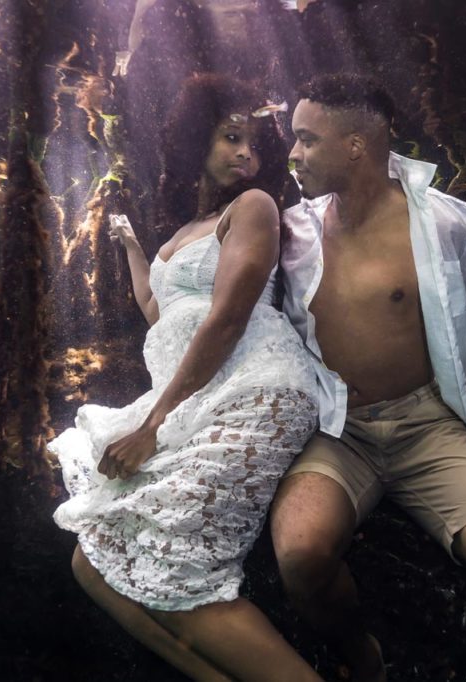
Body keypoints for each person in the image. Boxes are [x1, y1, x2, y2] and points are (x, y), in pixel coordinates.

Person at [271, 73, 466, 682]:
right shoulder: (290, 233)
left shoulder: (451, 223)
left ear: (356, 145)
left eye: (307, 139)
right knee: (301, 556)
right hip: (337, 432)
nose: (292, 155)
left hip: (430, 430)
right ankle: (363, 657)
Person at [47, 74, 321, 682]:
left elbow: (225, 319)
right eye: (230, 137)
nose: (245, 153)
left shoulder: (255, 208)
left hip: (254, 386)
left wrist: (154, 422)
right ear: (197, 138)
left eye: (254, 144)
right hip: (192, 395)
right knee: (91, 566)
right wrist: (131, 249)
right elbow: (159, 312)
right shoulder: (179, 236)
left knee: (184, 575)